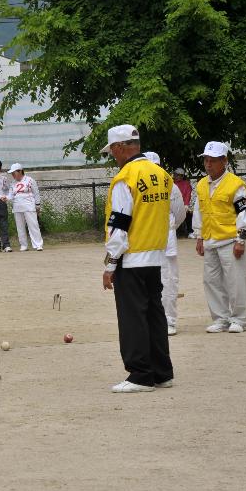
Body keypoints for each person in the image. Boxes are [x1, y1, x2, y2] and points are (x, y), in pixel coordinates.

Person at [100, 125, 174, 393]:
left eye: (112, 151)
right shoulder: (162, 175)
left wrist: (110, 264)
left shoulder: (125, 178)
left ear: (120, 148)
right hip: (156, 256)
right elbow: (174, 214)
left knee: (132, 319)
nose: (112, 156)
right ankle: (162, 371)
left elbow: (119, 225)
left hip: (131, 258)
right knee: (155, 315)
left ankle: (140, 375)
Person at [193, 141, 246, 334]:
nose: (208, 165)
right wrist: (199, 237)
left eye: (213, 161)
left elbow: (244, 213)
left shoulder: (236, 185)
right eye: (206, 160)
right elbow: (198, 212)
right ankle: (220, 318)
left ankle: (239, 319)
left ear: (224, 161)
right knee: (211, 282)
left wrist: (241, 239)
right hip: (210, 240)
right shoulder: (202, 185)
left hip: (230, 241)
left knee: (235, 281)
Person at [145, 152, 186, 335]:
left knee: (168, 281)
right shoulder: (139, 185)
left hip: (166, 242)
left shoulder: (170, 185)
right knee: (146, 282)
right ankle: (151, 320)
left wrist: (169, 228)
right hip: (144, 242)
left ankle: (169, 320)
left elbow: (179, 214)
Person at [8, 163, 43, 251]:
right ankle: (23, 245)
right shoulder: (13, 183)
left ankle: (38, 244)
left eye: (14, 172)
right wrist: (6, 198)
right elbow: (10, 195)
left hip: (29, 206)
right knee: (20, 227)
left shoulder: (30, 180)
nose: (12, 175)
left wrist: (37, 205)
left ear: (20, 171)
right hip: (17, 207)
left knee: (33, 225)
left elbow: (36, 193)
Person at [173, 168, 195, 237]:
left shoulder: (186, 184)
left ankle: (190, 231)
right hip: (173, 204)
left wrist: (186, 204)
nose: (179, 177)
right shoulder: (171, 182)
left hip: (183, 204)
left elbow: (188, 194)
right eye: (177, 175)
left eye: (181, 175)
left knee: (189, 214)